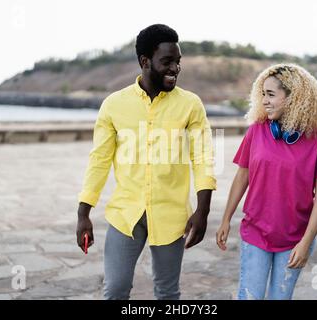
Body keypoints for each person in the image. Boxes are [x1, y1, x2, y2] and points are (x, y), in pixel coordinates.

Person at [76, 24, 216, 300]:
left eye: (178, 61)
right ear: (145, 62)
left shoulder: (191, 105)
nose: (175, 68)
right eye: (167, 61)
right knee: (115, 290)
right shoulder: (114, 105)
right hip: (125, 213)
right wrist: (83, 213)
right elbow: (99, 161)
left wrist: (203, 211)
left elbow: (203, 158)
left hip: (171, 214)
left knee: (167, 293)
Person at [216, 64, 317, 300]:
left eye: (271, 94)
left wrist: (306, 242)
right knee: (249, 297)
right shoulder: (256, 131)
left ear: (294, 98)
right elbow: (242, 175)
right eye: (262, 94)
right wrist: (225, 219)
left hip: (295, 238)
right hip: (255, 231)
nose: (264, 100)